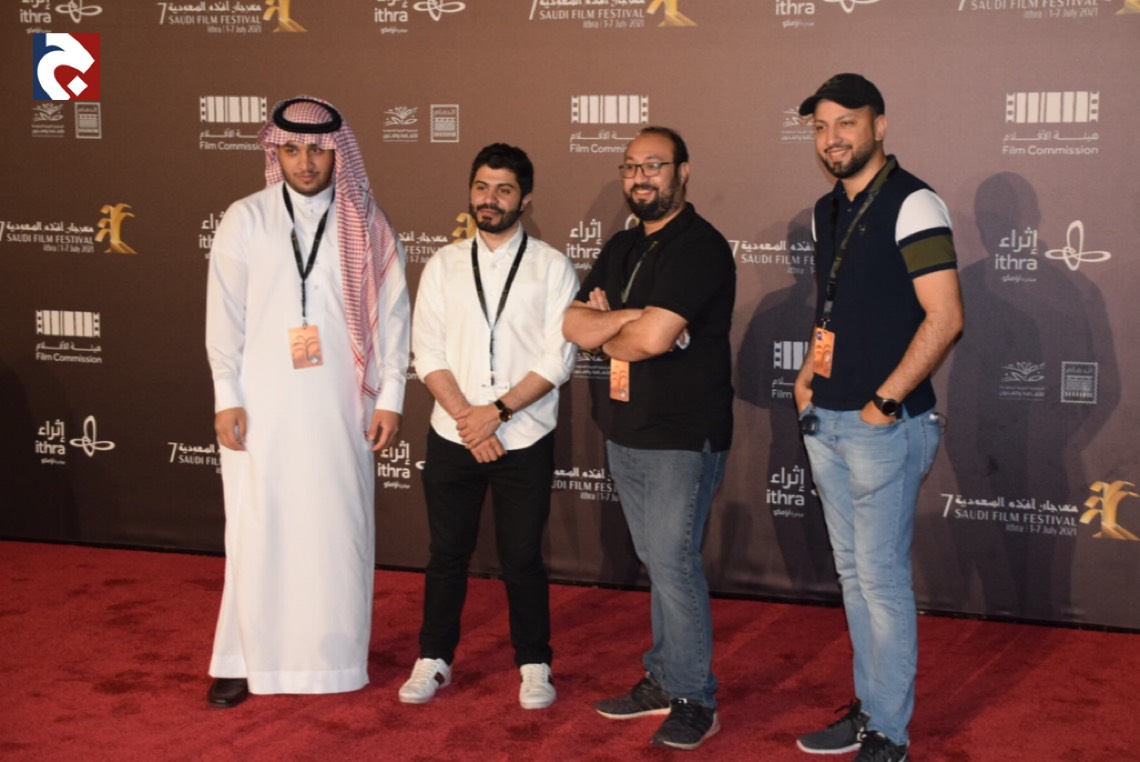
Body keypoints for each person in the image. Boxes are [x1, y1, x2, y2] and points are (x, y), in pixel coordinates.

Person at [205, 95, 409, 707]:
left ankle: (332, 661)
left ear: (338, 152)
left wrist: (391, 396)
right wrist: (226, 394)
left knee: (334, 529)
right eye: (291, 149)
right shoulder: (246, 217)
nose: (305, 162)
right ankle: (243, 657)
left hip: (341, 405)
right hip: (260, 403)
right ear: (276, 151)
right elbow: (224, 315)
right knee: (257, 527)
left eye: (317, 149)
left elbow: (393, 318)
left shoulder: (368, 223)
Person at [792, 74, 963, 762]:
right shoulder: (826, 210)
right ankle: (870, 708)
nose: (832, 138)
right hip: (826, 420)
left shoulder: (914, 202)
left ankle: (889, 733)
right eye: (821, 126)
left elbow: (945, 316)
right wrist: (809, 378)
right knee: (855, 577)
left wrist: (884, 403)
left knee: (881, 581)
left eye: (846, 123)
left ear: (879, 126)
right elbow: (833, 306)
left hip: (884, 427)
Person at [562, 126, 735, 750]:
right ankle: (664, 678)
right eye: (630, 166)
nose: (640, 177)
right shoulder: (622, 245)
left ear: (683, 172)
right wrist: (633, 319)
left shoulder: (700, 247)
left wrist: (621, 325)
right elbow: (573, 324)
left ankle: (695, 698)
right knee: (658, 562)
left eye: (654, 165)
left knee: (673, 564)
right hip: (625, 430)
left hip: (682, 437)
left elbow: (652, 340)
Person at [400, 143, 578, 710]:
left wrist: (495, 414)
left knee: (522, 558)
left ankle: (534, 662)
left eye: (504, 190)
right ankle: (434, 657)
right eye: (482, 187)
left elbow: (557, 359)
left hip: (523, 435)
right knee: (446, 554)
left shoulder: (552, 266)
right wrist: (468, 420)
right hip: (454, 434)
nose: (490, 199)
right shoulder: (444, 264)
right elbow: (427, 351)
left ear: (525, 199)